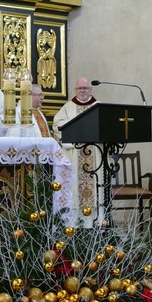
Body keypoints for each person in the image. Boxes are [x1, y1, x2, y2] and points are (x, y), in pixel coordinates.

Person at [53, 77, 99, 218]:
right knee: (75, 190)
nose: (82, 91)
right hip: (75, 154)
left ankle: (97, 222)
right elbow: (57, 125)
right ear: (75, 90)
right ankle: (75, 223)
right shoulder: (68, 107)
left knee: (96, 189)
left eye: (85, 88)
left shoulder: (99, 106)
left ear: (90, 89)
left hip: (96, 154)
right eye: (80, 88)